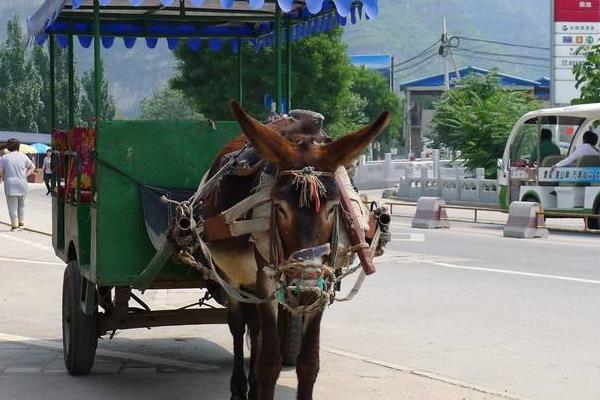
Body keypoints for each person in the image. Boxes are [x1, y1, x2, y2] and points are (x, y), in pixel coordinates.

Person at [0, 139, 35, 231]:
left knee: (12, 205)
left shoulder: (4, 157)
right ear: (18, 146)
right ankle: (21, 224)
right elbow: (33, 167)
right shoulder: (23, 156)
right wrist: (25, 175)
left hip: (10, 183)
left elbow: (1, 171)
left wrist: (4, 177)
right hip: (22, 182)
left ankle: (14, 225)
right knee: (22, 204)